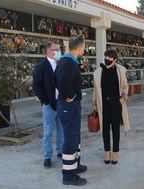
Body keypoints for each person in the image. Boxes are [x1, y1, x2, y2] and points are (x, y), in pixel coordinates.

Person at [55, 34, 87, 186]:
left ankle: (76, 165)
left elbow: (56, 79)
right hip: (68, 106)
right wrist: (71, 95)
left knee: (75, 138)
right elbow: (61, 82)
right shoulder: (68, 63)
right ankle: (68, 175)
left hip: (70, 106)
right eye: (84, 47)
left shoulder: (65, 61)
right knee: (70, 140)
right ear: (80, 48)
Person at [92, 48, 130, 165]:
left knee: (115, 129)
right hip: (103, 104)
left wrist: (124, 95)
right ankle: (107, 151)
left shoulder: (121, 70)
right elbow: (95, 89)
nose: (107, 60)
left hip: (116, 104)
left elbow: (125, 86)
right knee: (105, 130)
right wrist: (94, 103)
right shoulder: (98, 72)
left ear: (115, 59)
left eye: (110, 58)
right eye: (106, 57)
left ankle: (115, 152)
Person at [32, 41, 64, 168]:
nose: (58, 51)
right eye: (56, 49)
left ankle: (60, 151)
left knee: (61, 130)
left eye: (59, 49)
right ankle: (47, 156)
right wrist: (45, 101)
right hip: (48, 105)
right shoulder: (41, 67)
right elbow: (36, 86)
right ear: (49, 51)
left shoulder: (61, 65)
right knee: (48, 132)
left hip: (61, 103)